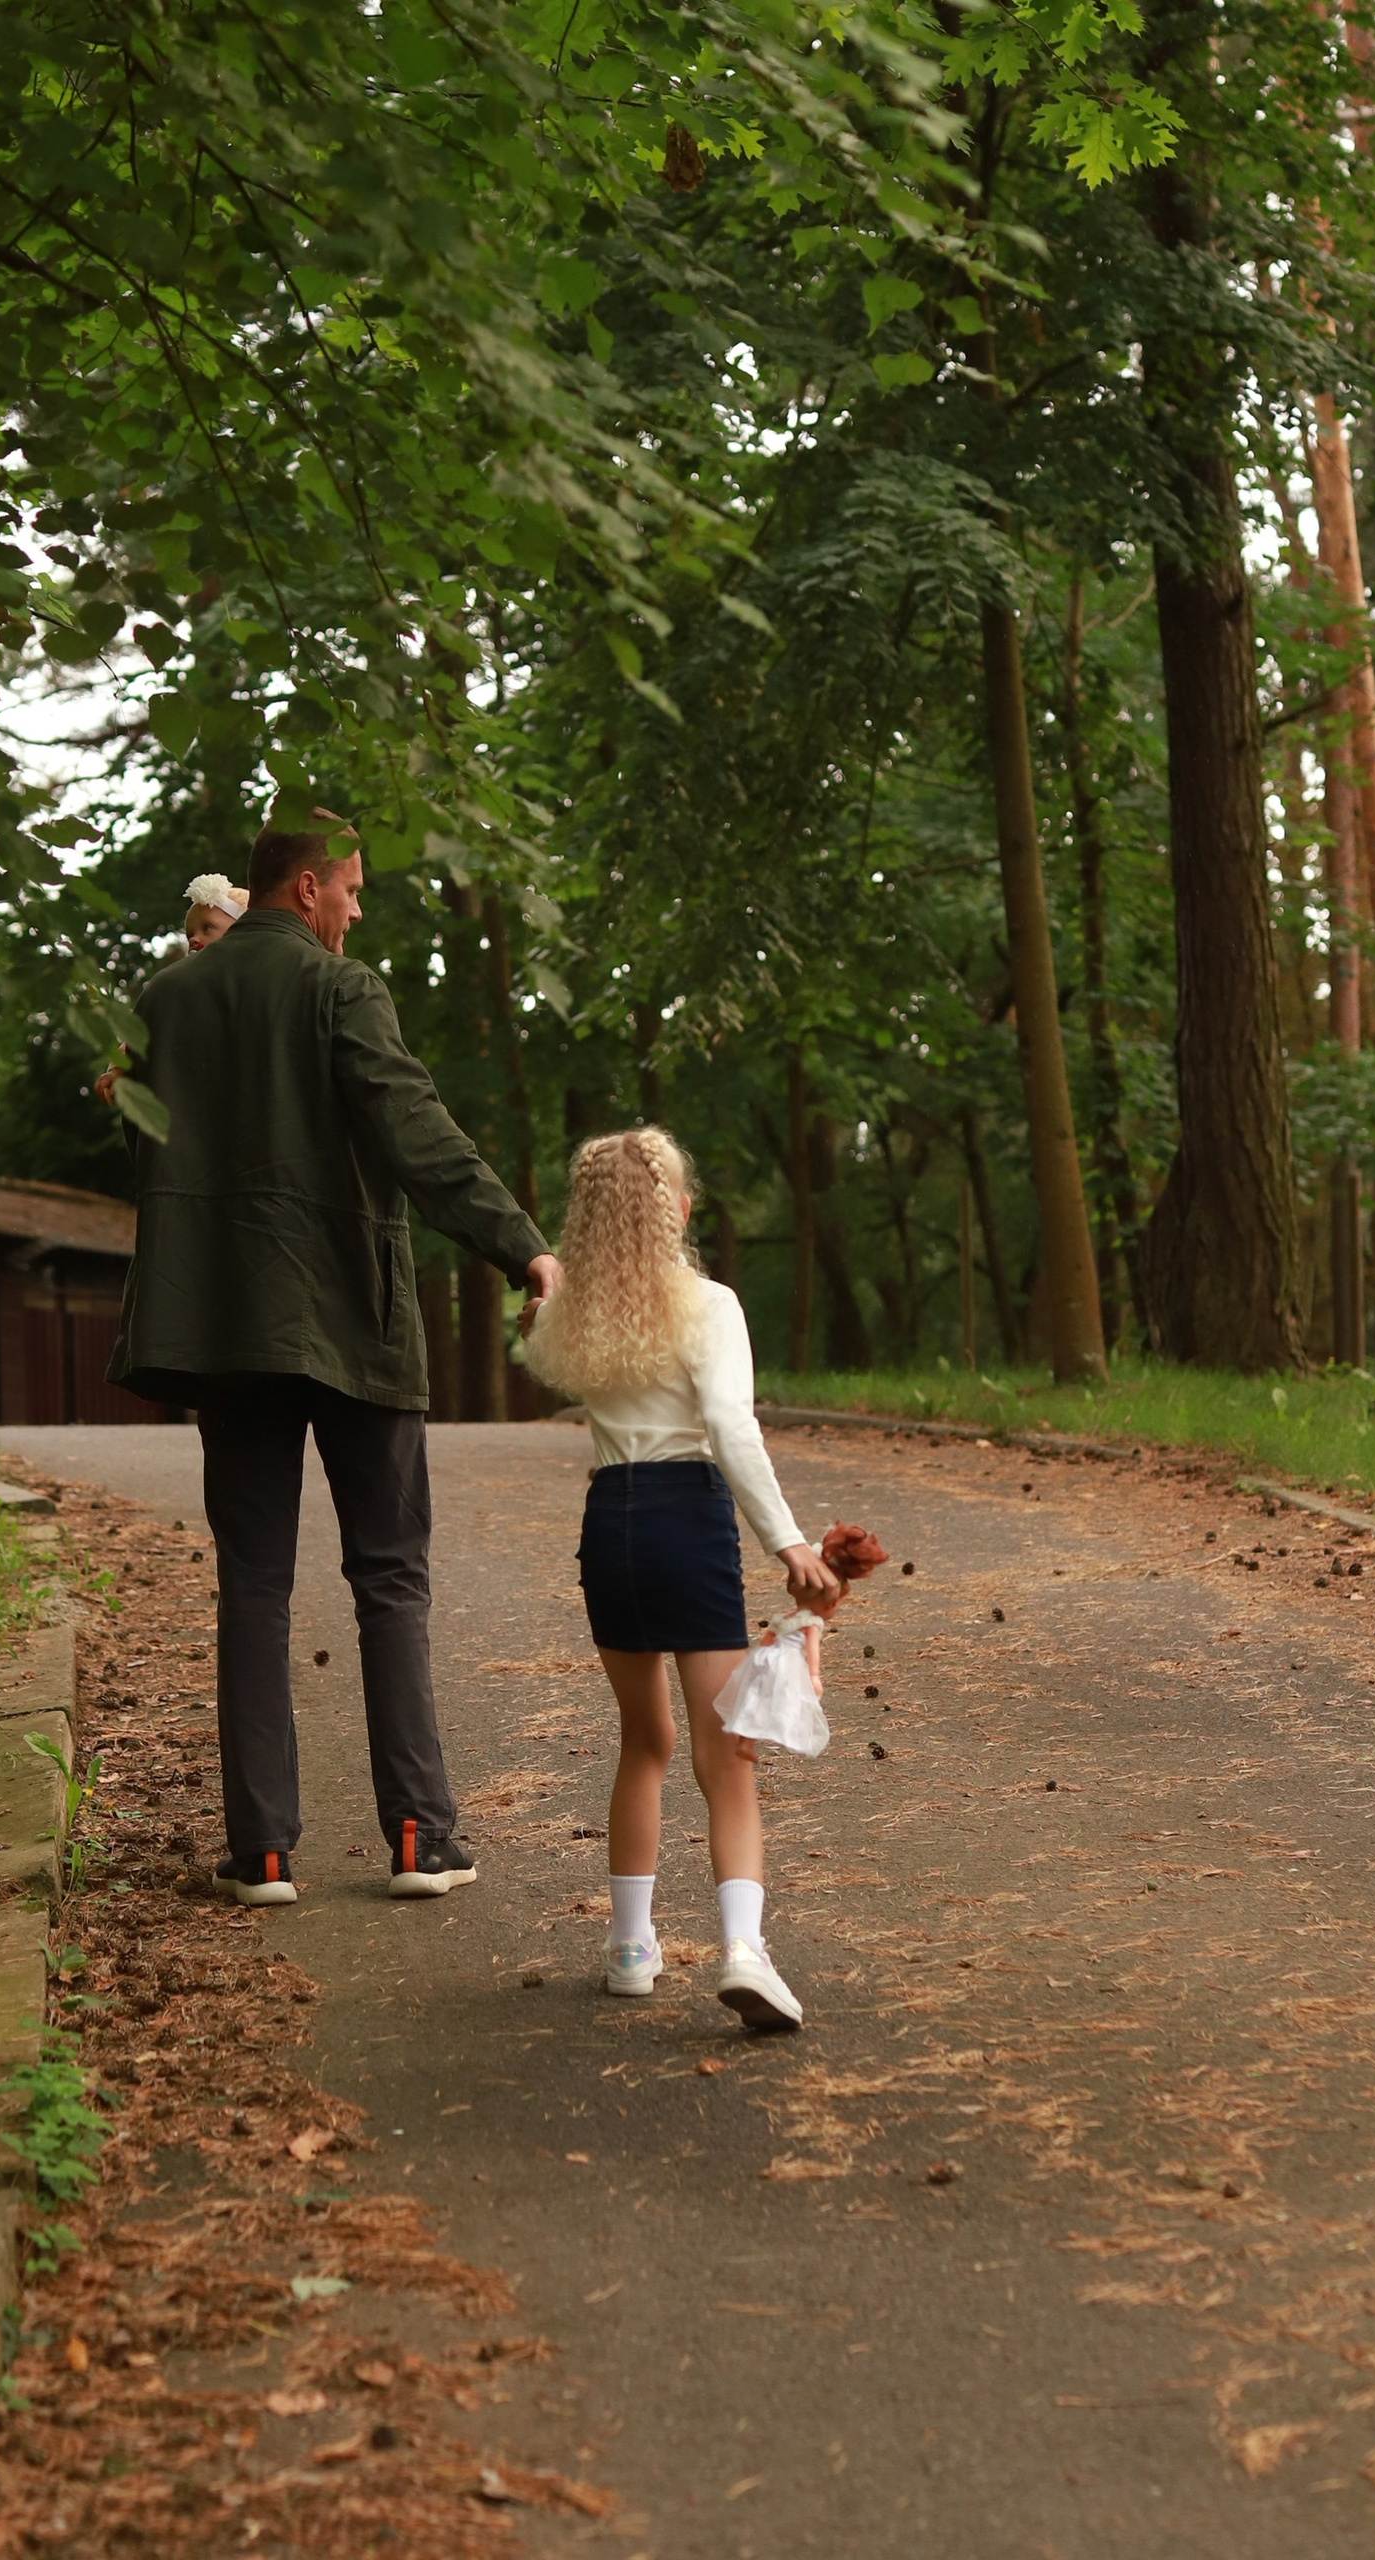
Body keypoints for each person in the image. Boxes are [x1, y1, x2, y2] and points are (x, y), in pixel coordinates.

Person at [112, 811, 560, 1907]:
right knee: (390, 1579)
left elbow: (142, 1143)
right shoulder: (338, 990)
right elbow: (415, 1134)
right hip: (353, 1320)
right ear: (307, 887)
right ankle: (417, 1837)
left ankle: (262, 1851)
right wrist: (522, 1246)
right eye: (352, 890)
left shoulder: (166, 1000)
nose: (358, 910)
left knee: (254, 1586)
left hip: (226, 1328)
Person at [521, 1127, 837, 2031]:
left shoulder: (571, 1316)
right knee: (725, 1756)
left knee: (644, 1742)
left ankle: (630, 1947)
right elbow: (733, 1432)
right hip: (689, 1520)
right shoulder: (711, 1304)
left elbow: (537, 1346)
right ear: (681, 1210)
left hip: (609, 1524)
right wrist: (788, 1543)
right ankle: (743, 1952)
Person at [94, 874, 251, 1113]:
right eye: (189, 935)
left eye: (207, 928)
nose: (194, 939)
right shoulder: (181, 990)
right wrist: (118, 1070)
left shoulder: (257, 979)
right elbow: (140, 1037)